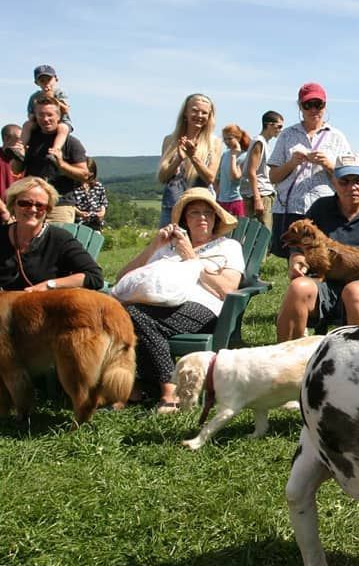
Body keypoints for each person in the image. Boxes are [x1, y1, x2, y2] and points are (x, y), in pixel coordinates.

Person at [117, 187, 243, 413]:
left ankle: (168, 390)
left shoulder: (229, 247)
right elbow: (122, 278)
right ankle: (137, 385)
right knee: (121, 313)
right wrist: (155, 245)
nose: (202, 217)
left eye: (208, 212)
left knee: (136, 315)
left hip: (203, 309)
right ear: (185, 218)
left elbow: (227, 288)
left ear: (216, 217)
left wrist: (192, 258)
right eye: (194, 212)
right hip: (156, 304)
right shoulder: (168, 248)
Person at [276, 153, 359, 340]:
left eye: (358, 181)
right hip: (326, 283)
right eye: (344, 181)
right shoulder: (321, 208)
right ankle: (290, 359)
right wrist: (297, 261)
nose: (351, 187)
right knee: (298, 287)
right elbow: (297, 248)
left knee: (354, 291)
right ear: (334, 183)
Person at [268, 83, 352, 257]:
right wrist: (291, 163)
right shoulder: (287, 135)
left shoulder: (337, 137)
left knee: (323, 258)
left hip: (325, 210)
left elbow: (349, 177)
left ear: (325, 105)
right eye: (308, 105)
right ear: (300, 106)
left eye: (318, 104)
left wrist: (328, 165)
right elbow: (273, 177)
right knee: (294, 262)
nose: (313, 109)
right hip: (291, 210)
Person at [0, 176, 104, 291]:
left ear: (48, 210)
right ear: (13, 205)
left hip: (44, 306)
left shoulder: (60, 239)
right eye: (24, 203)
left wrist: (50, 284)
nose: (33, 209)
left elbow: (94, 277)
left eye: (40, 205)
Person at [9, 95, 90, 224]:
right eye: (41, 115)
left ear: (58, 117)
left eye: (50, 115)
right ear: (35, 116)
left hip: (60, 205)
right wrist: (19, 156)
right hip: (32, 205)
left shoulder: (71, 143)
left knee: (57, 243)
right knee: (28, 243)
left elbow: (85, 175)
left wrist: (61, 165)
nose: (45, 119)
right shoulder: (29, 138)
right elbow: (15, 169)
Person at [157, 93, 222, 228]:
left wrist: (193, 157)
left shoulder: (214, 142)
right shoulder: (169, 140)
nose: (199, 115)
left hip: (201, 209)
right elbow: (163, 177)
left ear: (209, 117)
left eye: (204, 113)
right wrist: (179, 159)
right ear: (185, 113)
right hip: (172, 206)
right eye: (195, 110)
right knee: (167, 247)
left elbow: (210, 178)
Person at [17, 65, 73, 167]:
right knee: (27, 125)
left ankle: (55, 151)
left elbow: (65, 110)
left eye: (49, 79)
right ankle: (20, 148)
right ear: (36, 83)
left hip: (61, 122)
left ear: (56, 79)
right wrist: (34, 117)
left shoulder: (59, 93)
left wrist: (52, 98)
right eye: (42, 80)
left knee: (63, 128)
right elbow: (30, 114)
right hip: (39, 122)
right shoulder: (34, 97)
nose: (46, 83)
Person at [241, 110, 284, 230]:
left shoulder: (265, 143)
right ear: (269, 125)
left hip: (263, 192)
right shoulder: (259, 142)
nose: (280, 130)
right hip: (260, 193)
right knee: (264, 234)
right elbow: (251, 171)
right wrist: (257, 199)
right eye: (278, 126)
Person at [217, 124, 250, 218]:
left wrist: (234, 156)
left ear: (238, 138)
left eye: (230, 138)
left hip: (236, 201)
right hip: (221, 201)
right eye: (225, 139)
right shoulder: (225, 154)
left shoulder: (244, 156)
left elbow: (234, 177)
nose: (227, 142)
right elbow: (219, 178)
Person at [71, 158, 108, 230]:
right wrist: (80, 213)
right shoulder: (72, 187)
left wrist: (102, 212)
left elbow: (103, 202)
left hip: (96, 223)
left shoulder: (98, 186)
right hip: (78, 223)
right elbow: (70, 205)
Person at [0, 124, 22, 221]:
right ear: (7, 138)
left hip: (15, 216)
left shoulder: (22, 161)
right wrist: (3, 210)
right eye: (19, 139)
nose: (22, 143)